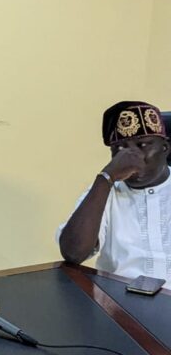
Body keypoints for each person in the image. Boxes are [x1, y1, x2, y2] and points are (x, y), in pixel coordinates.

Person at [57, 101, 171, 286]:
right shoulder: (105, 192)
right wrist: (105, 178)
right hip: (120, 304)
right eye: (119, 149)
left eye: (142, 145)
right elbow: (73, 253)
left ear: (165, 148)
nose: (130, 157)